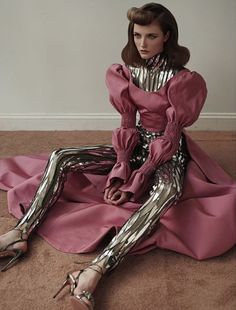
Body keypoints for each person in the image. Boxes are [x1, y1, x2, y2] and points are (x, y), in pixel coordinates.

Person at [0, 3, 235, 310]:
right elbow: (127, 123)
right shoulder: (124, 73)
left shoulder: (184, 80)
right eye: (137, 35)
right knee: (62, 155)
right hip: (134, 145)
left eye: (151, 36)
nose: (142, 43)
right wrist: (121, 171)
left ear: (167, 36)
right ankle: (21, 231)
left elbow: (171, 136)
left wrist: (137, 183)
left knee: (168, 190)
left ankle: (95, 269)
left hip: (167, 151)